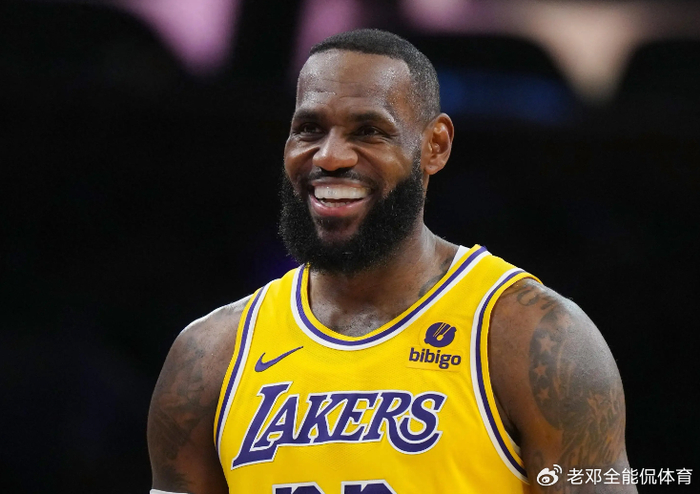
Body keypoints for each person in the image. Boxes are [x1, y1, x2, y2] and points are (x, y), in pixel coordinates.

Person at [147, 29, 634, 493]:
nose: (330, 156)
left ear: (435, 146)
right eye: (309, 129)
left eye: (369, 131)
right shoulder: (208, 357)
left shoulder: (534, 339)